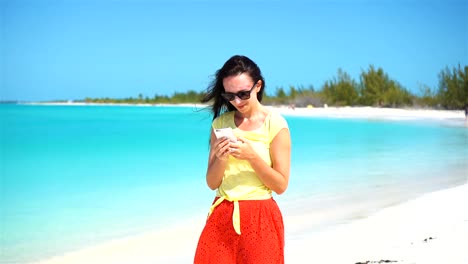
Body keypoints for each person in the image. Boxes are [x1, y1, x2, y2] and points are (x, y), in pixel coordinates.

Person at [194, 55, 291, 264]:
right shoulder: (221, 124)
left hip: (260, 218)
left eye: (243, 94)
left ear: (258, 86)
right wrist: (220, 158)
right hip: (221, 215)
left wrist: (252, 157)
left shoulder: (275, 125)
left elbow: (281, 185)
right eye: (230, 96)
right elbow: (212, 183)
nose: (236, 102)